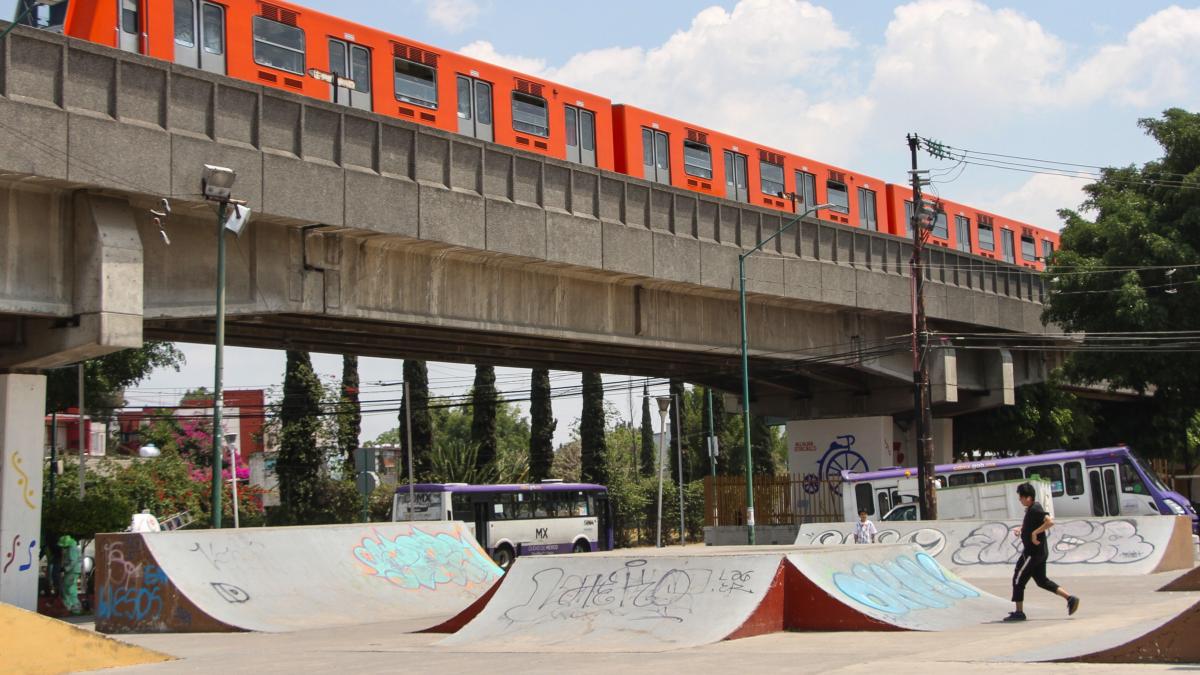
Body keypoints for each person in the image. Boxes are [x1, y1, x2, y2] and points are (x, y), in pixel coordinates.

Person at [1004, 482, 1079, 622]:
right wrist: (1022, 529)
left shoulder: (1035, 508)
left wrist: (1034, 533)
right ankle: (1070, 599)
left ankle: (1019, 612)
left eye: (1020, 497)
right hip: (1040, 553)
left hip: (1032, 553)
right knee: (1041, 581)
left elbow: (1049, 522)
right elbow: (1033, 523)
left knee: (1018, 579)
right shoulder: (1031, 509)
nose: (1019, 500)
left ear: (1028, 497)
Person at [57, 534, 81, 615]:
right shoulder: (72, 547)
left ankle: (74, 607)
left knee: (69, 589)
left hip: (72, 571)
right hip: (73, 571)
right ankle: (72, 607)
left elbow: (73, 561)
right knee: (68, 588)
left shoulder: (72, 549)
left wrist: (65, 568)